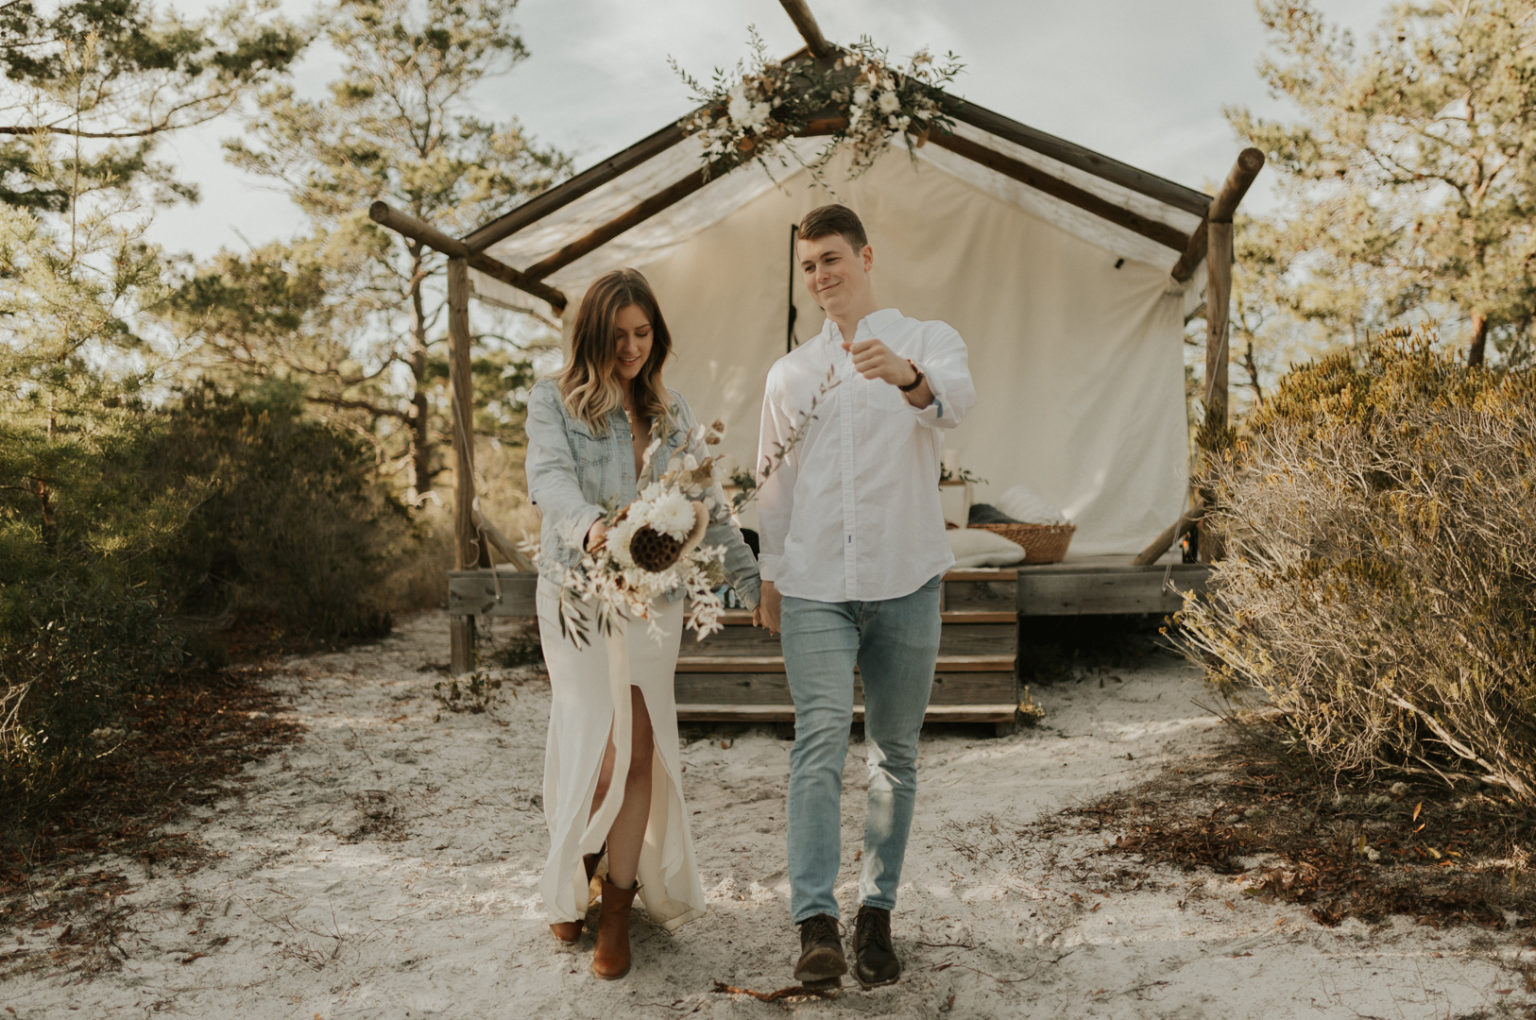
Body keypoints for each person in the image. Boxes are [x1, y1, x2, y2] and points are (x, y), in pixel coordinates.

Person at [754, 204, 976, 988]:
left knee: (896, 754)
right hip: (815, 583)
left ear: (866, 256)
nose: (820, 276)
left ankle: (875, 915)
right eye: (809, 264)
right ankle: (814, 923)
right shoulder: (789, 374)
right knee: (817, 745)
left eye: (832, 259)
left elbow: (960, 404)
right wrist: (772, 575)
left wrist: (909, 379)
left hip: (906, 577)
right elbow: (772, 485)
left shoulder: (927, 341)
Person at [525, 267, 761, 980]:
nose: (632, 348)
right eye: (618, 335)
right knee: (599, 751)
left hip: (653, 610)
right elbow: (549, 482)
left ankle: (619, 908)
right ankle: (576, 869)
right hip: (579, 598)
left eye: (643, 333)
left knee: (637, 752)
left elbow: (710, 511)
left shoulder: (673, 412)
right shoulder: (554, 402)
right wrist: (593, 527)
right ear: (593, 336)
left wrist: (752, 584)